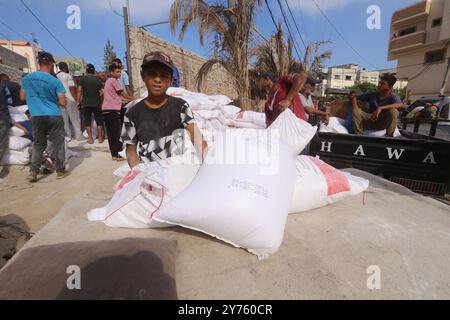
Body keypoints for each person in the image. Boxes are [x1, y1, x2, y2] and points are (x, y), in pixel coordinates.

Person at [121, 51, 207, 169]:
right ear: (142, 76)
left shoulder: (181, 107)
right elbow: (130, 150)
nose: (157, 79)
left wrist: (207, 167)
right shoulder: (132, 114)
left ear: (171, 79)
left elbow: (196, 136)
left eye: (164, 75)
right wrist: (137, 173)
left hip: (177, 171)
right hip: (150, 174)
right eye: (151, 74)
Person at [20, 51, 68, 182]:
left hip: (36, 115)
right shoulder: (54, 81)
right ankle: (60, 171)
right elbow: (63, 102)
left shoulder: (26, 79)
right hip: (54, 115)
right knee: (58, 144)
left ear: (38, 63)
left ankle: (33, 172)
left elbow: (22, 97)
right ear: (52, 64)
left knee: (38, 144)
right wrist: (51, 99)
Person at [260, 71, 329, 127]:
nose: (313, 88)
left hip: (298, 126)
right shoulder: (268, 104)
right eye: (312, 84)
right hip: (287, 132)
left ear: (267, 79)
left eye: (260, 80)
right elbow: (269, 123)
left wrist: (287, 100)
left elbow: (301, 76)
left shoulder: (282, 83)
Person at [102, 64, 135, 161]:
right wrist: (134, 98)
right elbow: (123, 94)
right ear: (111, 72)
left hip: (106, 110)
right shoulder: (114, 81)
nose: (119, 73)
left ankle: (114, 155)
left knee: (111, 134)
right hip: (113, 109)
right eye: (117, 72)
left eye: (120, 71)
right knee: (117, 133)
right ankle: (119, 154)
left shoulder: (108, 81)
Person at [77, 63, 104, 144]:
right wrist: (101, 102)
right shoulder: (98, 80)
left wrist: (78, 102)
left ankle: (91, 139)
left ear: (86, 70)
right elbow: (102, 92)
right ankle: (100, 138)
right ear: (93, 71)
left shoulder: (82, 79)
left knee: (87, 121)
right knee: (99, 121)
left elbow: (79, 91)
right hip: (97, 103)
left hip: (86, 103)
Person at [56, 62, 83, 141]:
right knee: (75, 118)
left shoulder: (56, 76)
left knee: (64, 119)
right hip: (70, 99)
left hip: (60, 99)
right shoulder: (68, 76)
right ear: (66, 67)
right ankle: (78, 136)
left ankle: (68, 136)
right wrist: (76, 99)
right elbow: (71, 88)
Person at [112, 58, 132, 125]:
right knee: (120, 120)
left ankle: (128, 134)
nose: (113, 65)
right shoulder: (113, 77)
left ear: (120, 64)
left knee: (126, 120)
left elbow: (127, 86)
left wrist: (131, 98)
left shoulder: (123, 74)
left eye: (114, 64)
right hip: (118, 101)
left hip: (124, 101)